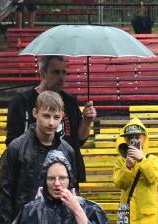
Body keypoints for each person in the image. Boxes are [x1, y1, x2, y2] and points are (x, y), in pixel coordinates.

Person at [0, 90, 81, 224]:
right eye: (46, 116)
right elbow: (5, 190)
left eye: (56, 117)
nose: (51, 122)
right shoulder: (16, 148)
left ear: (62, 117)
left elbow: (73, 190)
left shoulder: (67, 151)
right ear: (35, 113)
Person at [5, 55, 93, 183]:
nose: (61, 77)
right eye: (56, 72)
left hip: (65, 175)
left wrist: (87, 121)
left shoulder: (69, 101)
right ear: (42, 73)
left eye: (64, 72)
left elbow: (79, 140)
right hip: (31, 175)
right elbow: (12, 142)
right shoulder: (21, 101)